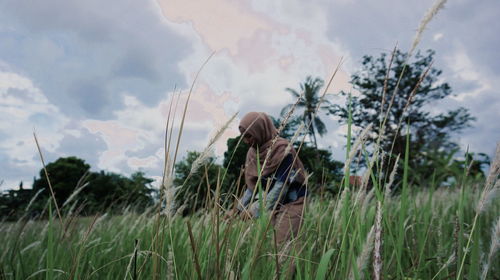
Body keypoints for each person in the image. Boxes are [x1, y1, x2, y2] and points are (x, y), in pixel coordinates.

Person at [228, 112, 308, 246]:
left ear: (260, 130)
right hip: (273, 203)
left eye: (249, 136)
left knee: (282, 245)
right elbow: (252, 187)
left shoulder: (282, 150)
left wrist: (254, 210)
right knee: (272, 247)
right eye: (243, 137)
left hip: (292, 201)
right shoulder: (253, 154)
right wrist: (238, 209)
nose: (246, 141)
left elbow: (281, 187)